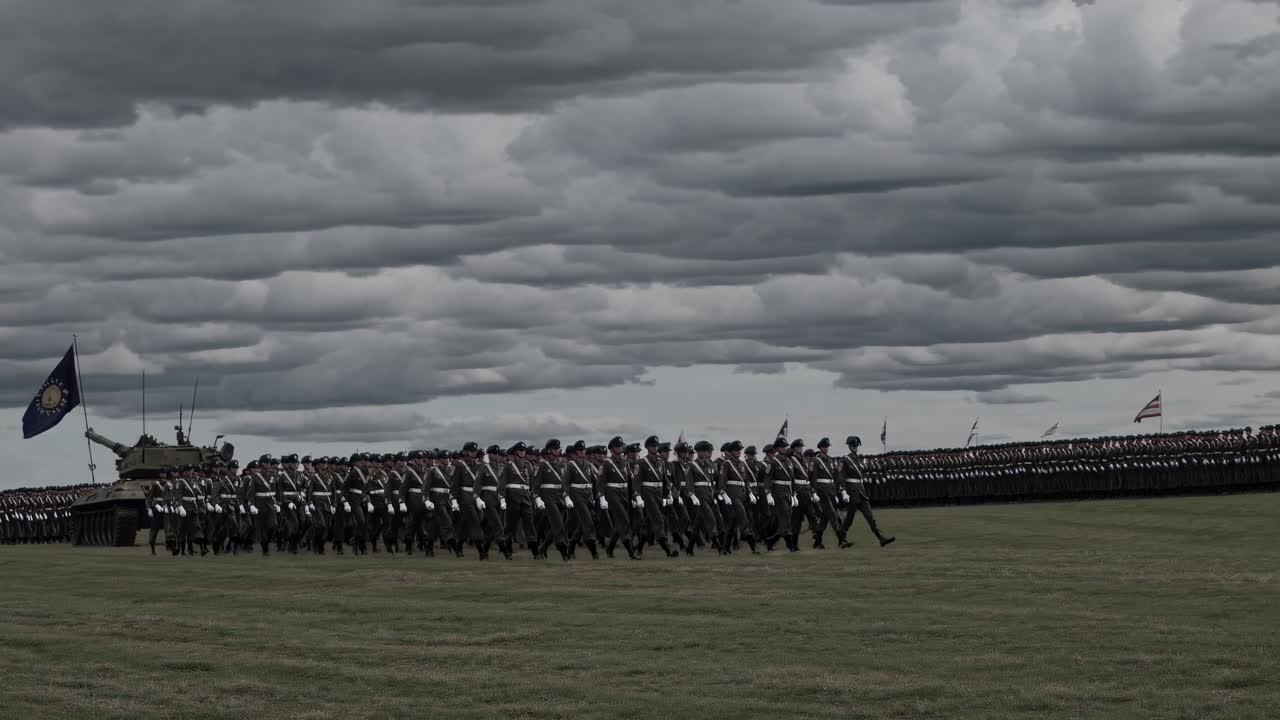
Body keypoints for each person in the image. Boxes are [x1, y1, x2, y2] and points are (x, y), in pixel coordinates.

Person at [837, 436, 895, 548]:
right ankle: (841, 538)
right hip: (852, 491)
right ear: (849, 446)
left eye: (856, 445)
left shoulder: (858, 459)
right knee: (849, 518)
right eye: (854, 446)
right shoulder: (844, 460)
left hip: (861, 491)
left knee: (870, 516)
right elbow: (840, 477)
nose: (855, 447)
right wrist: (843, 491)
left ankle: (881, 538)